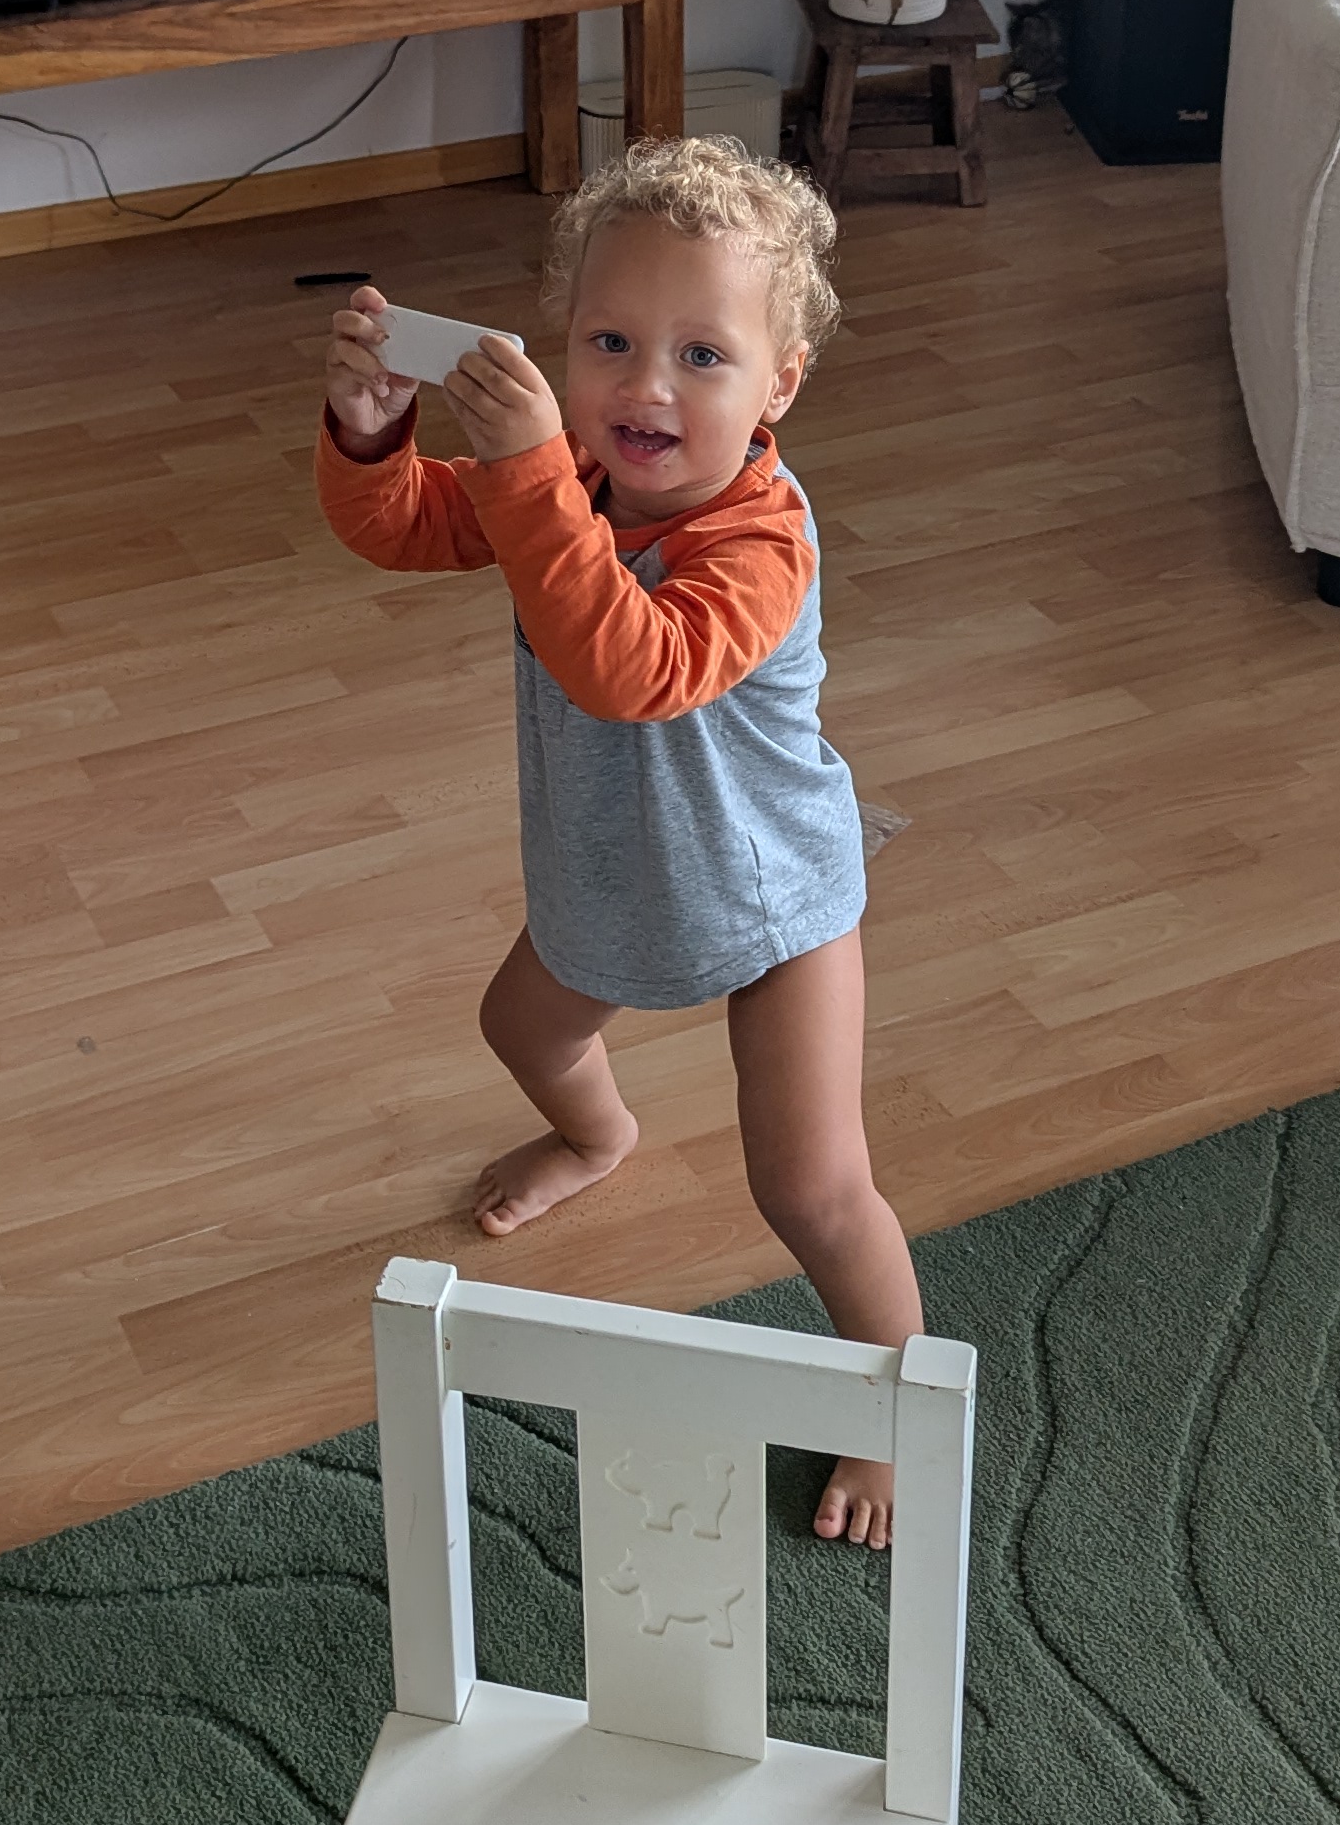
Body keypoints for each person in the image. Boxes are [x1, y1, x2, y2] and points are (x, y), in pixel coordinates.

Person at [315, 138, 920, 1545]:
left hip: (772, 900)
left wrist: (530, 472)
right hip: (617, 875)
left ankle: (896, 1415)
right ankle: (598, 1135)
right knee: (519, 1027)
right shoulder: (571, 479)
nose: (648, 388)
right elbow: (406, 527)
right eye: (611, 342)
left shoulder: (762, 542)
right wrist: (371, 433)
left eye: (703, 355)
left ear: (779, 386)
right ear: (562, 344)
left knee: (813, 1188)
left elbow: (629, 667)